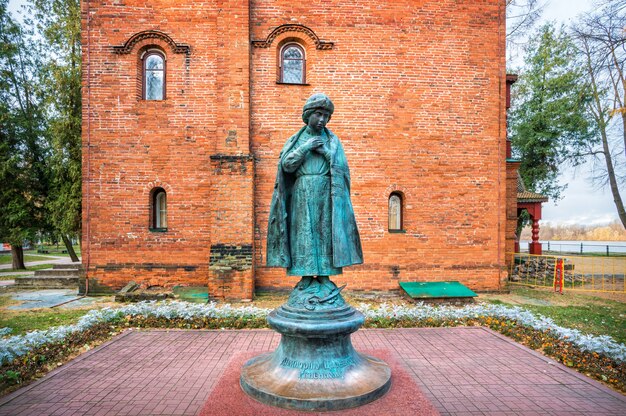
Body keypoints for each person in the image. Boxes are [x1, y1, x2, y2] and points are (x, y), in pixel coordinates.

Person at [266, 93, 363, 296]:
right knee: (304, 234)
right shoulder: (297, 140)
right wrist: (306, 148)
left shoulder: (332, 141)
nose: (322, 120)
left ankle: (326, 276)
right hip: (302, 192)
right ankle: (306, 276)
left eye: (326, 116)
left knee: (326, 232)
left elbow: (342, 169)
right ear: (308, 114)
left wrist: (327, 153)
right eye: (318, 114)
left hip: (327, 193)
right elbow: (286, 166)